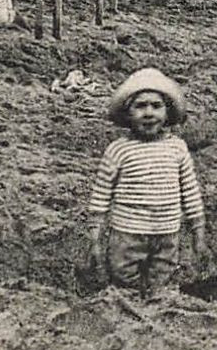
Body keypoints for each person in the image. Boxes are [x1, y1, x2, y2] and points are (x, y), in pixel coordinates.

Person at [86, 68, 207, 295]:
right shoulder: (118, 150)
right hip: (127, 233)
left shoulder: (177, 148)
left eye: (156, 106)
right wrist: (95, 236)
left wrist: (198, 231)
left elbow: (190, 192)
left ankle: (156, 310)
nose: (149, 113)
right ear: (127, 113)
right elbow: (100, 195)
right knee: (123, 279)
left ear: (167, 112)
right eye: (140, 106)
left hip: (167, 232)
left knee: (162, 280)